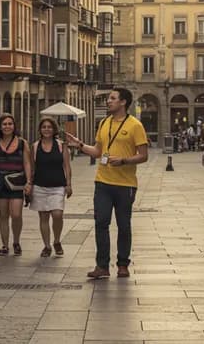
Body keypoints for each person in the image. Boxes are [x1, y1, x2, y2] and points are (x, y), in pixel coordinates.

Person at [65, 87, 149, 279]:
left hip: (125, 184)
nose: (108, 101)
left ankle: (122, 264)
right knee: (101, 223)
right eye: (109, 98)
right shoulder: (104, 123)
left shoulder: (135, 125)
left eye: (112, 98)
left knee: (123, 225)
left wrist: (124, 160)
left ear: (123, 102)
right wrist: (79, 144)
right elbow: (97, 151)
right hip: (102, 182)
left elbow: (143, 155)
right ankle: (102, 266)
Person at [0, 113, 32, 256]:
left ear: (14, 126)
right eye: (4, 124)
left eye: (10, 124)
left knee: (16, 214)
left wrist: (29, 183)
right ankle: (5, 245)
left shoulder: (22, 143)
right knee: (3, 215)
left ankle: (16, 241)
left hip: (17, 182)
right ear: (0, 127)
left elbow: (27, 163)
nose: (7, 126)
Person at [31, 117, 72, 258]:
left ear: (54, 129)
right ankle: (47, 246)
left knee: (57, 214)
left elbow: (66, 165)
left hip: (58, 186)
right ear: (40, 130)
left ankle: (57, 240)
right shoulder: (35, 146)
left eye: (49, 127)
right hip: (40, 186)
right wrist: (29, 184)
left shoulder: (61, 145)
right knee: (43, 217)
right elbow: (32, 167)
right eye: (44, 127)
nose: (46, 129)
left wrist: (69, 184)